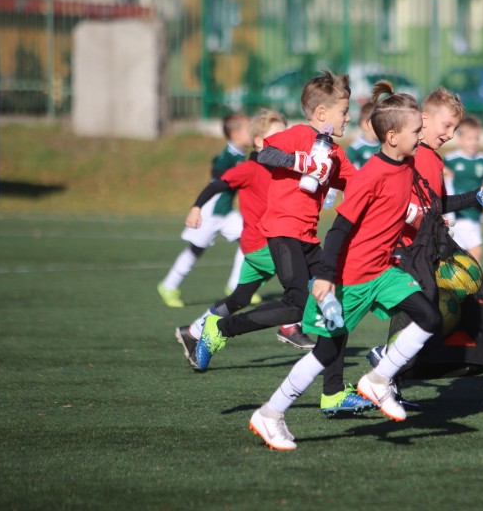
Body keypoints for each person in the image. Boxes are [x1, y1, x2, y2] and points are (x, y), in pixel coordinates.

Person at [248, 81, 442, 450]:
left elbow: (424, 203)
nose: (423, 136)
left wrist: (475, 199)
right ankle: (270, 414)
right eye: (417, 130)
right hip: (350, 281)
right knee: (325, 352)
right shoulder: (371, 174)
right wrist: (325, 277)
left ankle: (379, 380)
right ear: (392, 136)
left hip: (382, 274)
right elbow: (338, 230)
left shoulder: (409, 163)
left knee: (429, 317)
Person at [193, 69, 373, 414]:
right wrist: (302, 162)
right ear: (321, 114)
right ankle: (221, 327)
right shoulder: (300, 135)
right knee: (296, 302)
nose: (348, 117)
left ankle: (333, 393)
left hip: (307, 237)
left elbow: (363, 185)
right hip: (281, 231)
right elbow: (266, 155)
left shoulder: (335, 154)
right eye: (344, 111)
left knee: (336, 304)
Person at [365, 88, 483, 405]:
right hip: (411, 251)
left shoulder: (432, 158)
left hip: (423, 247)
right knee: (424, 317)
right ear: (424, 119)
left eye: (455, 128)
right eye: (447, 125)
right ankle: (383, 360)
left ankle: (389, 382)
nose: (450, 134)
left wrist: (478, 197)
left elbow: (437, 204)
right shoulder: (419, 156)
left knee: (422, 318)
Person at [174, 109, 287, 368]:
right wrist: (196, 208)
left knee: (239, 299)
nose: (285, 139)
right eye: (278, 135)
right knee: (303, 285)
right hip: (262, 246)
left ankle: (193, 332)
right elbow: (217, 185)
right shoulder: (248, 169)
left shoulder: (281, 169)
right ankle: (291, 327)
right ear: (259, 141)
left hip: (260, 246)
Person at [157, 112, 253, 308]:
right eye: (249, 129)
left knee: (250, 241)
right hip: (210, 213)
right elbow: (217, 170)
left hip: (226, 213)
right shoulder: (227, 155)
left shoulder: (243, 155)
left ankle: (235, 287)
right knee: (195, 250)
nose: (253, 132)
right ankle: (168, 286)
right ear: (235, 134)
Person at [443, 116, 483, 264]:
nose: (473, 142)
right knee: (455, 258)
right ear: (459, 139)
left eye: (476, 138)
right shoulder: (450, 160)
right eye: (469, 138)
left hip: (473, 215)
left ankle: (473, 285)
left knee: (475, 254)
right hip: (453, 215)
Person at [345, 101, 380, 169]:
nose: (381, 126)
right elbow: (347, 170)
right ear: (365, 124)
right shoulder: (355, 147)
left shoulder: (383, 145)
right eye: (377, 122)